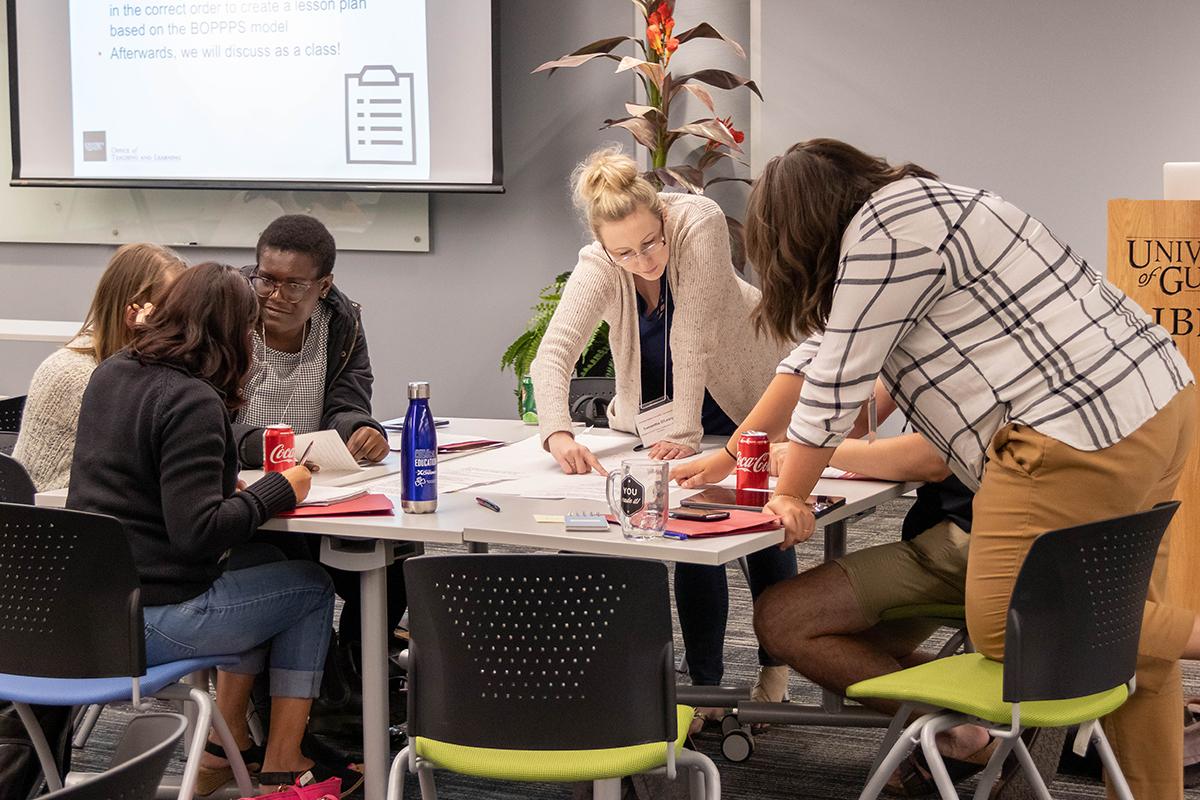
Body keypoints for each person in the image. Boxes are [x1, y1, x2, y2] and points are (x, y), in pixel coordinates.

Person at [674, 138, 1200, 799]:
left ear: (802, 225)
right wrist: (729, 455)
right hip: (1155, 404)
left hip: (1070, 435)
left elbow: (834, 384)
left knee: (1010, 628)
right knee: (1135, 640)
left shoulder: (883, 231)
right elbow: (811, 360)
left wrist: (792, 494)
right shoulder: (929, 206)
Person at [65, 263, 360, 795]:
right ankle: (284, 759)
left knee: (265, 567)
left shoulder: (111, 373)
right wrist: (280, 488)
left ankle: (227, 748)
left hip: (88, 610)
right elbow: (197, 532)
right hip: (152, 621)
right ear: (232, 333)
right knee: (312, 588)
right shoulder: (192, 399)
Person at [529, 145, 797, 721]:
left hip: (742, 401)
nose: (644, 260)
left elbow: (693, 334)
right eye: (624, 251)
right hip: (665, 424)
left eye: (651, 242)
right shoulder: (602, 262)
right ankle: (706, 691)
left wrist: (684, 426)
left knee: (762, 528)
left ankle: (776, 666)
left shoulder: (696, 221)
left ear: (662, 217)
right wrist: (557, 433)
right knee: (692, 543)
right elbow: (553, 354)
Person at [233, 214, 399, 694]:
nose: (275, 295)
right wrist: (264, 446)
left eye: (294, 285)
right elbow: (203, 417)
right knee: (288, 560)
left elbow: (347, 399)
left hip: (316, 479)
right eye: (266, 279)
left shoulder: (342, 322)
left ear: (323, 286)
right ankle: (311, 690)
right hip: (244, 485)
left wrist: (359, 429)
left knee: (396, 554)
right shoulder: (228, 315)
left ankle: (359, 679)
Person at [13, 243, 186, 490]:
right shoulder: (78, 374)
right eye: (169, 314)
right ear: (134, 314)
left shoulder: (124, 368)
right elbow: (150, 458)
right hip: (58, 516)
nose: (179, 327)